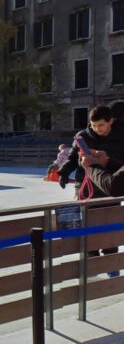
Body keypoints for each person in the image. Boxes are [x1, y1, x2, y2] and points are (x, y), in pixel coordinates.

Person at [60, 105, 124, 278]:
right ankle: (92, 269)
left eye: (101, 125)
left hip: (110, 186)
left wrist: (104, 164)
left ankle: (112, 270)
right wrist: (64, 172)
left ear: (111, 121)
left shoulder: (121, 135)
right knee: (88, 230)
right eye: (94, 125)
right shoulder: (83, 136)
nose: (97, 129)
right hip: (86, 188)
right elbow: (73, 158)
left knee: (109, 229)